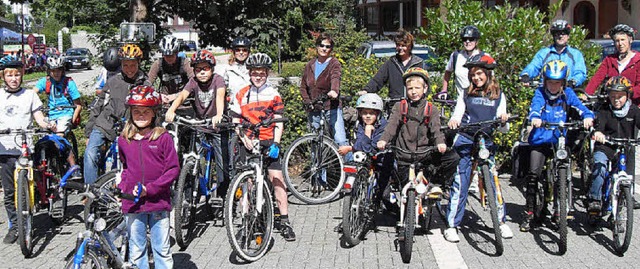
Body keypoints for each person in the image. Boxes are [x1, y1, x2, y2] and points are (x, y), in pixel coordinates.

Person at [520, 60, 594, 232]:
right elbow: (535, 108)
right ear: (545, 81)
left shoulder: (568, 93)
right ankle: (530, 212)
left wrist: (588, 116)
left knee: (563, 171)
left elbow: (580, 107)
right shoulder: (540, 93)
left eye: (557, 82)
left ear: (563, 82)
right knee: (534, 173)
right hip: (540, 138)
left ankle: (559, 209)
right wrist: (535, 117)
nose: (553, 86)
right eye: (550, 82)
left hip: (560, 138)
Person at [444, 54, 512, 242]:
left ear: (488, 74)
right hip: (466, 139)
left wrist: (504, 119)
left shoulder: (498, 95)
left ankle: (501, 222)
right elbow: (457, 112)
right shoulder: (466, 93)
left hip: (485, 141)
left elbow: (503, 128)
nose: (476, 78)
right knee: (461, 181)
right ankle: (452, 224)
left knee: (493, 181)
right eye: (473, 74)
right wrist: (454, 120)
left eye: (479, 73)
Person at [376, 67, 459, 220]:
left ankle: (437, 184)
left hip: (424, 155)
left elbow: (436, 130)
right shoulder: (400, 107)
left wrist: (440, 143)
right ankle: (405, 217)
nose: (413, 92)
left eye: (417, 88)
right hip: (404, 154)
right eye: (410, 88)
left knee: (452, 157)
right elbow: (391, 126)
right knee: (405, 190)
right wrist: (383, 140)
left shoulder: (431, 109)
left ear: (425, 88)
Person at [229, 52, 296, 241]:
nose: (258, 76)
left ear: (267, 74)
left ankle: (284, 221)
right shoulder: (242, 94)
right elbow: (235, 121)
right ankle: (246, 221)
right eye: (255, 73)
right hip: (248, 141)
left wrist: (276, 143)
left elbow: (279, 121)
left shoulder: (273, 94)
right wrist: (244, 139)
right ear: (250, 73)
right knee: (247, 182)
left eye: (262, 73)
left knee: (277, 178)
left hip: (268, 140)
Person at [118, 85, 179, 269]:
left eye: (146, 111)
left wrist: (150, 189)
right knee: (137, 250)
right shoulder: (124, 139)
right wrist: (123, 188)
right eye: (136, 111)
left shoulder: (162, 138)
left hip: (158, 202)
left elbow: (172, 169)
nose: (141, 115)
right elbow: (125, 168)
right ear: (130, 113)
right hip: (133, 204)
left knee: (162, 250)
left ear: (154, 114)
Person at [0, 60, 56, 244]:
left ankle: (31, 212)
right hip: (5, 148)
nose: (14, 79)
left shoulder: (30, 95)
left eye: (17, 74)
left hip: (24, 149)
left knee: (28, 186)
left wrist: (47, 125)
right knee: (9, 192)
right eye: (9, 75)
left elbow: (38, 117)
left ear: (22, 75)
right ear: (3, 77)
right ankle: (15, 227)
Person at [164, 49, 230, 196]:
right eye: (198, 69)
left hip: (218, 127)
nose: (202, 72)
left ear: (212, 69)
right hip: (201, 125)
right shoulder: (193, 82)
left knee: (223, 167)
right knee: (194, 160)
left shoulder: (218, 80)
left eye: (205, 68)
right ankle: (191, 196)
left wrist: (219, 115)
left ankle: (223, 197)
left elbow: (220, 96)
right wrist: (171, 110)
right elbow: (182, 96)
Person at [84, 43, 150, 185]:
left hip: (130, 128)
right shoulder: (112, 82)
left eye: (133, 65)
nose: (129, 69)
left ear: (139, 64)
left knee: (124, 160)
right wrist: (88, 133)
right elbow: (98, 105)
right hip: (105, 124)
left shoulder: (145, 84)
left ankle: (120, 190)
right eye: (126, 65)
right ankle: (90, 194)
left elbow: (153, 111)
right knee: (90, 154)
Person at [588, 76, 640, 213]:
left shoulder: (634, 110)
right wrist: (598, 133)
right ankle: (595, 199)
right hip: (606, 147)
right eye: (613, 96)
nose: (617, 99)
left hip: (624, 147)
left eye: (620, 96)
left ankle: (622, 204)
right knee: (600, 168)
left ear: (628, 96)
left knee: (626, 174)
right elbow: (598, 125)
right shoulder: (605, 110)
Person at [299, 32, 352, 160]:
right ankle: (318, 177)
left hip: (331, 107)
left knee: (340, 140)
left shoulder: (334, 63)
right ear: (317, 46)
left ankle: (351, 171)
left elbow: (335, 77)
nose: (324, 49)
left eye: (327, 46)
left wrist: (334, 91)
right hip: (314, 109)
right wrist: (307, 101)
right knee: (316, 143)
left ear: (331, 49)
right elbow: (303, 86)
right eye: (321, 45)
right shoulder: (310, 65)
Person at [33, 55, 83, 178]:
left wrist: (72, 120)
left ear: (63, 70)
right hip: (51, 114)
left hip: (66, 113)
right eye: (53, 70)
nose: (56, 73)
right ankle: (41, 167)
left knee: (60, 136)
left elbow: (78, 105)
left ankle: (73, 167)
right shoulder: (45, 82)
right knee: (44, 139)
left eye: (59, 70)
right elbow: (32, 93)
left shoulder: (68, 83)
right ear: (49, 71)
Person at [359, 29, 426, 101]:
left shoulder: (418, 63)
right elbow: (377, 80)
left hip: (414, 105)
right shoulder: (391, 63)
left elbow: (425, 85)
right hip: (395, 104)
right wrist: (366, 90)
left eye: (403, 45)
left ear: (410, 46)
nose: (400, 48)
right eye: (398, 45)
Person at [520, 19, 587, 88]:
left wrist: (573, 81)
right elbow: (534, 66)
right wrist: (526, 75)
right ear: (553, 36)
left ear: (568, 36)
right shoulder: (543, 53)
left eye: (563, 33)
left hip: (567, 91)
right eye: (557, 34)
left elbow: (580, 72)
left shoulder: (576, 54)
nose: (560, 36)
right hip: (545, 92)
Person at [585, 24, 640, 101]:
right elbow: (597, 78)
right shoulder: (610, 60)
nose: (620, 44)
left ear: (630, 40)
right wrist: (586, 94)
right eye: (617, 41)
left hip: (633, 104)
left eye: (623, 40)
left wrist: (627, 92)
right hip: (612, 102)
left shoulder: (638, 60)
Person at [440, 25, 489, 99]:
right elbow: (448, 71)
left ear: (477, 41)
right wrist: (444, 90)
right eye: (465, 39)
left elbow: (491, 78)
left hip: (480, 100)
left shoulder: (485, 57)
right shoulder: (456, 56)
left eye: (471, 39)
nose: (467, 42)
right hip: (461, 100)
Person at [148, 35, 194, 105]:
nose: (169, 58)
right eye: (166, 56)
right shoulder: (158, 64)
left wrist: (176, 96)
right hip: (165, 102)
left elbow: (194, 83)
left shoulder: (185, 63)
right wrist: (158, 95)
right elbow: (147, 84)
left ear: (177, 53)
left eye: (172, 55)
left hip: (184, 101)